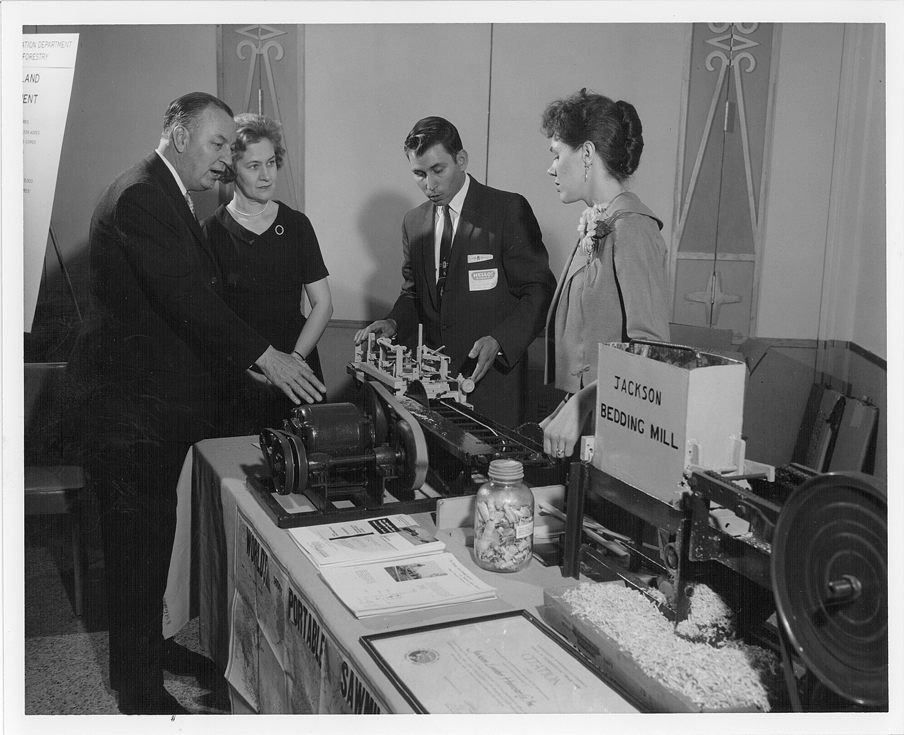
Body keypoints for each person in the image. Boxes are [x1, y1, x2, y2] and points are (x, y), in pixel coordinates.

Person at [67, 92, 325, 715]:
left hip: (155, 411)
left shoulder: (165, 194)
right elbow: (192, 299)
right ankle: (138, 693)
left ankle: (148, 655)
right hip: (132, 417)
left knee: (153, 544)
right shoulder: (139, 196)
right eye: (217, 146)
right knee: (138, 552)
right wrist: (269, 356)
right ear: (179, 136)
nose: (225, 160)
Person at [354, 116, 555, 428]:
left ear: (461, 160)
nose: (430, 185)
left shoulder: (506, 210)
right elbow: (415, 295)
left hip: (494, 386)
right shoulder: (414, 223)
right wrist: (394, 322)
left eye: (438, 170)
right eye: (419, 174)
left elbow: (539, 289)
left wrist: (501, 340)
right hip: (433, 390)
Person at [539, 89, 670, 460]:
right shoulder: (603, 222)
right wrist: (570, 407)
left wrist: (582, 405)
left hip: (617, 430)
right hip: (590, 422)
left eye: (556, 153)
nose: (551, 168)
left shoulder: (632, 229)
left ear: (586, 154)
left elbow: (653, 352)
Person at [202, 113, 333, 434]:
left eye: (271, 163)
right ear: (232, 170)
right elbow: (210, 315)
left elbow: (323, 304)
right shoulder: (210, 232)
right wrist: (251, 364)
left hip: (298, 366)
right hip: (240, 374)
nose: (266, 176)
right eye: (254, 166)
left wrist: (295, 362)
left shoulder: (297, 225)